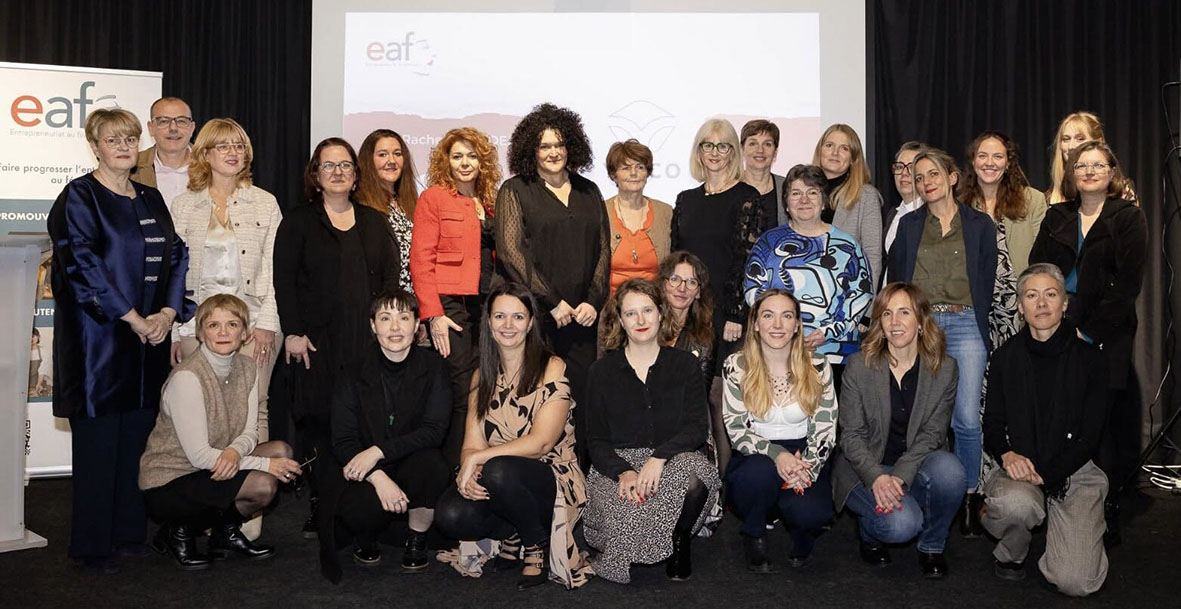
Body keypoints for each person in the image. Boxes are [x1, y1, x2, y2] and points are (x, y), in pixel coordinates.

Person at [47, 107, 192, 574]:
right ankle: (92, 546)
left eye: (130, 139)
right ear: (95, 147)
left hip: (148, 340)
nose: (124, 147)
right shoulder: (79, 197)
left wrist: (167, 313)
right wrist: (133, 318)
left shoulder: (150, 196)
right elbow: (82, 265)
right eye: (113, 140)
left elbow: (177, 254)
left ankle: (129, 533)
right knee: (99, 444)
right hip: (99, 342)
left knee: (137, 439)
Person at [273, 137, 400, 539]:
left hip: (366, 343)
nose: (337, 172)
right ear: (315, 175)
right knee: (320, 423)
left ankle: (360, 504)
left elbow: (390, 280)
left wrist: (389, 329)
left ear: (356, 174)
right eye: (328, 166)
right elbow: (284, 281)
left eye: (345, 165)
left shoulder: (374, 222)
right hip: (316, 344)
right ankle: (322, 502)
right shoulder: (298, 222)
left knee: (364, 422)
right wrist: (293, 332)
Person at [434, 283, 592, 590]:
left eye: (518, 317)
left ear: (531, 323)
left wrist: (479, 460)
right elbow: (472, 443)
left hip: (552, 476)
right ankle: (513, 530)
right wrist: (469, 470)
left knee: (498, 470)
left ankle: (535, 543)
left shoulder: (552, 367)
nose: (508, 325)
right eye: (500, 316)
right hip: (500, 476)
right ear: (488, 322)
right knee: (450, 515)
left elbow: (542, 443)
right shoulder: (482, 375)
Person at [1029, 141, 1147, 545]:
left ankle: (1107, 506)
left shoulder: (1127, 217)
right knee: (1061, 414)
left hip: (1108, 330)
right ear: (1072, 174)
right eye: (1082, 165)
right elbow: (1038, 268)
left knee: (1103, 423)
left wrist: (1087, 330)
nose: (1090, 171)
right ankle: (1058, 499)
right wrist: (1052, 317)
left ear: (1112, 173)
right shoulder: (1057, 215)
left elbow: (1127, 284)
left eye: (1098, 165)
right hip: (1057, 324)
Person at [139, 294, 300, 570]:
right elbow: (199, 457)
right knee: (263, 483)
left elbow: (250, 432)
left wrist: (235, 452)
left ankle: (224, 533)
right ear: (201, 334)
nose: (223, 333)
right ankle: (178, 530)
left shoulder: (248, 367)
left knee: (281, 450)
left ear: (245, 333)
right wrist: (264, 465)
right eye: (214, 325)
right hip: (170, 480)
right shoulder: (187, 377)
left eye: (232, 324)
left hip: (212, 467)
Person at [981, 264, 1110, 596]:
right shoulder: (1004, 358)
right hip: (1022, 466)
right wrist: (1007, 455)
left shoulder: (1092, 360)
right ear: (1020, 306)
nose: (1041, 303)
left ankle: (1081, 526)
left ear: (1064, 303)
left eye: (1051, 294)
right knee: (1016, 505)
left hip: (1075, 471)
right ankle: (1012, 552)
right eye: (1031, 295)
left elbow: (1090, 438)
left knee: (1076, 582)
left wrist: (1049, 475)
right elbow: (992, 423)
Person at [887, 147, 996, 536]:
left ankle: (968, 497)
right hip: (924, 326)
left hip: (966, 324)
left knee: (965, 418)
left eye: (933, 174)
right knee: (923, 416)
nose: (925, 182)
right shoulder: (909, 225)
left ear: (952, 177)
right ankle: (926, 491)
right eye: (919, 178)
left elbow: (986, 280)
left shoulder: (980, 225)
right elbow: (898, 280)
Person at [583, 279, 721, 583]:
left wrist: (659, 458)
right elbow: (596, 440)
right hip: (617, 466)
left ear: (660, 313)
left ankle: (680, 538)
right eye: (630, 313)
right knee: (628, 519)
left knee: (697, 473)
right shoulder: (600, 372)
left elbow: (697, 427)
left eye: (647, 310)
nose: (640, 320)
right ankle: (639, 537)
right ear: (620, 321)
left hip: (671, 460)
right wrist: (623, 472)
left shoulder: (685, 365)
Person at [494, 103, 609, 456]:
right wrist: (552, 302)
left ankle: (582, 473)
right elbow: (511, 253)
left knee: (582, 400)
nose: (553, 152)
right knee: (537, 401)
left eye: (559, 144)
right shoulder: (515, 190)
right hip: (538, 319)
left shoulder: (590, 191)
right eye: (544, 146)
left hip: (582, 319)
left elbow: (603, 250)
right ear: (531, 150)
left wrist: (592, 301)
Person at [834, 282, 964, 578]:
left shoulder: (945, 369)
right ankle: (869, 532)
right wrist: (877, 477)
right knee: (901, 525)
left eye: (904, 312)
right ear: (879, 323)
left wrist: (899, 476)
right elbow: (851, 436)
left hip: (916, 463)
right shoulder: (859, 366)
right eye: (887, 313)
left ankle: (932, 546)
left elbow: (933, 434)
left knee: (951, 472)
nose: (895, 322)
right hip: (865, 467)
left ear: (921, 321)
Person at [319, 290, 451, 581]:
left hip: (408, 461)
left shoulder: (434, 367)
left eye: (403, 318)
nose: (395, 327)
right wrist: (377, 476)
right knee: (359, 509)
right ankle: (365, 537)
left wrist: (379, 451)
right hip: (364, 469)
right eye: (385, 318)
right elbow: (342, 440)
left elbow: (434, 431)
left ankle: (416, 538)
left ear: (417, 325)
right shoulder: (352, 371)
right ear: (372, 325)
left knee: (433, 468)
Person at [169, 118, 282, 441]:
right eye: (223, 146)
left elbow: (275, 268)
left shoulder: (265, 202)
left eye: (239, 146)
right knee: (200, 410)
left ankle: (255, 473)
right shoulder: (184, 205)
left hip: (254, 322)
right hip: (196, 324)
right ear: (205, 154)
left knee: (254, 407)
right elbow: (174, 273)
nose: (233, 152)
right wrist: (174, 331)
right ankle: (208, 474)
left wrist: (268, 323)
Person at [722, 289, 837, 572]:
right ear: (755, 324)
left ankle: (802, 535)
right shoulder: (736, 366)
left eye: (786, 316)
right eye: (768, 316)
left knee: (812, 513)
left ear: (797, 325)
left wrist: (807, 469)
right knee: (757, 475)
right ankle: (754, 531)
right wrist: (777, 455)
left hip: (804, 453)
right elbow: (736, 428)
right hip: (755, 452)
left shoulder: (818, 365)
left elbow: (825, 429)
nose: (777, 325)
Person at [411, 127, 501, 467]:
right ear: (446, 161)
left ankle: (479, 463)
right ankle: (455, 468)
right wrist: (433, 314)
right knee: (462, 389)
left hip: (488, 306)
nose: (465, 163)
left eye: (472, 156)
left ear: (483, 161)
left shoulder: (491, 201)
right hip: (451, 306)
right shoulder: (434, 197)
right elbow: (421, 259)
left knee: (484, 386)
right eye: (457, 156)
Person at [743, 164, 873, 391]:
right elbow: (753, 290)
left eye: (812, 192)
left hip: (835, 355)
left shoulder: (847, 245)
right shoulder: (768, 243)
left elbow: (861, 295)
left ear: (823, 201)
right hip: (778, 355)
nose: (804, 200)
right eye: (796, 193)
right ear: (786, 203)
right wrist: (785, 332)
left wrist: (828, 333)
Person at [671, 118, 767, 370]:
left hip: (727, 315)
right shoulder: (685, 200)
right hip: (688, 309)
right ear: (699, 151)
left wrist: (736, 314)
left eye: (723, 146)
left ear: (733, 153)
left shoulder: (747, 198)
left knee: (720, 384)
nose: (714, 153)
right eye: (708, 145)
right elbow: (676, 258)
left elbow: (748, 262)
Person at [958, 131, 1048, 277]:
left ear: (1008, 164)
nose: (989, 163)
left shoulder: (1033, 200)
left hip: (1021, 288)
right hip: (972, 289)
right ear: (973, 162)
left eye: (998, 157)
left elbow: (1042, 258)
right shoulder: (958, 204)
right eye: (982, 156)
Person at [811, 124, 883, 292]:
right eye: (829, 145)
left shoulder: (866, 196)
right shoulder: (802, 192)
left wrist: (866, 304)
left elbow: (872, 255)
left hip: (847, 295)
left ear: (853, 158)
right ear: (820, 151)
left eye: (844, 148)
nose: (835, 153)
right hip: (806, 292)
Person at [604, 139, 672, 297]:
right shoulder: (600, 212)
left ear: (647, 173)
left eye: (640, 167)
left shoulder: (666, 213)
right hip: (610, 306)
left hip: (655, 305)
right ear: (614, 175)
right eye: (626, 168)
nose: (633, 173)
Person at [356, 129, 420, 292]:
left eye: (397, 154)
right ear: (368, 161)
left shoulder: (412, 205)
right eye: (382, 155)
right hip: (381, 301)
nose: (391, 161)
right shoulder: (359, 208)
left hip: (413, 303)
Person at [134, 96, 196, 210]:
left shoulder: (213, 165)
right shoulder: (131, 168)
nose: (173, 128)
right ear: (151, 128)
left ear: (192, 128)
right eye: (164, 121)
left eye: (181, 121)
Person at [740, 119, 786, 227]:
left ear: (775, 152)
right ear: (742, 149)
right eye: (753, 143)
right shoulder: (729, 186)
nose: (760, 150)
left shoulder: (787, 187)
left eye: (767, 144)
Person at [883, 141, 926, 256]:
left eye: (911, 167)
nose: (904, 173)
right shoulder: (892, 214)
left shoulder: (931, 216)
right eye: (899, 167)